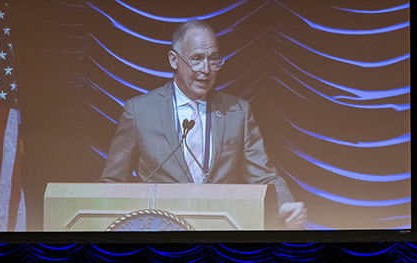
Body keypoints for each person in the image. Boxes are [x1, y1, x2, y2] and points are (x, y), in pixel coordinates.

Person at [100, 19, 308, 229]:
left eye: (213, 59)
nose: (206, 69)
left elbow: (265, 177)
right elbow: (112, 184)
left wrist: (285, 206)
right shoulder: (139, 111)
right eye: (197, 59)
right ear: (174, 59)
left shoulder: (238, 112)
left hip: (221, 237)